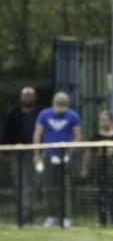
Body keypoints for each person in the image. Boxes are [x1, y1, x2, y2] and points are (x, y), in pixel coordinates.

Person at [33, 92, 81, 229]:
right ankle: (51, 216)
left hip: (66, 156)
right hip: (49, 155)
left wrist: (69, 153)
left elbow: (78, 136)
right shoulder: (44, 114)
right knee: (49, 187)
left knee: (64, 187)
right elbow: (38, 133)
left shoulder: (73, 116)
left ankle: (65, 217)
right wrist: (37, 154)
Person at [2, 87, 41, 224]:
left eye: (30, 95)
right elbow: (7, 132)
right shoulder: (14, 113)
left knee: (34, 185)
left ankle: (30, 215)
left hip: (36, 153)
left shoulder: (39, 113)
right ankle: (23, 216)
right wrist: (7, 150)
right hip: (18, 154)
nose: (28, 98)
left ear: (34, 98)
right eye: (25, 95)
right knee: (21, 185)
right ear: (21, 97)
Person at [81, 110, 113, 227]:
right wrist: (85, 168)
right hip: (100, 169)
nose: (103, 123)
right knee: (101, 195)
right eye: (101, 120)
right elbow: (88, 153)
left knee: (112, 195)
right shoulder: (96, 137)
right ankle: (102, 221)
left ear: (111, 121)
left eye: (106, 120)